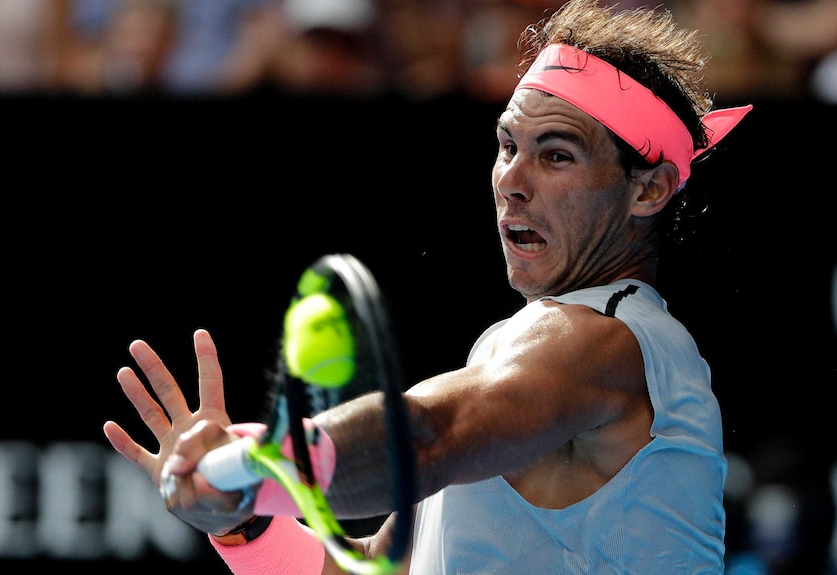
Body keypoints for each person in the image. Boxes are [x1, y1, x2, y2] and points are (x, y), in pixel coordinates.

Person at [102, 0, 753, 572]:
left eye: (557, 153)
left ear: (648, 188)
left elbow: (424, 435)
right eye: (507, 146)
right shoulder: (540, 357)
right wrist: (241, 524)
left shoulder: (601, 340)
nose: (512, 180)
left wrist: (249, 467)